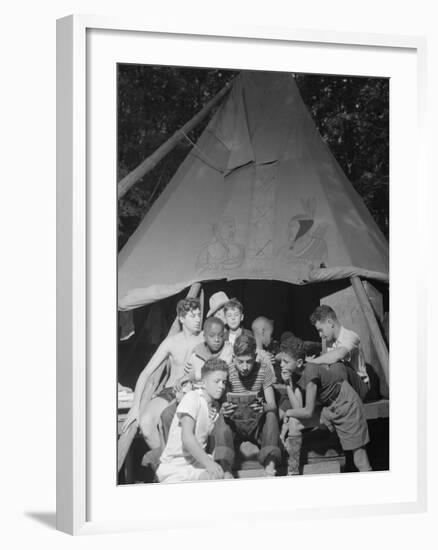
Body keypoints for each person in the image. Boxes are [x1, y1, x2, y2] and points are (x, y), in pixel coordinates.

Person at [278, 336, 372, 473]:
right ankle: (293, 471)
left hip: (346, 405)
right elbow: (298, 409)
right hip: (328, 408)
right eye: (281, 361)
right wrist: (288, 384)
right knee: (295, 422)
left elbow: (308, 412)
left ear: (298, 362)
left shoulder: (310, 372)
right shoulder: (295, 373)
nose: (281, 365)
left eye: (285, 362)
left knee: (360, 460)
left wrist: (287, 412)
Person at [121, 298, 203, 450]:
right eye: (193, 316)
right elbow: (145, 374)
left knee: (178, 425)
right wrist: (135, 407)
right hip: (170, 391)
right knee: (145, 424)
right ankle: (163, 463)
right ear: (182, 318)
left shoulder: (204, 339)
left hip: (194, 391)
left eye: (199, 315)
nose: (198, 319)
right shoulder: (171, 342)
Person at [213, 334, 281, 477]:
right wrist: (224, 409)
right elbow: (222, 402)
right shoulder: (228, 371)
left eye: (249, 361)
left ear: (255, 356)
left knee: (271, 415)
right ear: (233, 357)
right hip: (236, 425)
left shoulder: (264, 369)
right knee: (221, 418)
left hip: (257, 426)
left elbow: (272, 404)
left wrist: (264, 408)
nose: (244, 367)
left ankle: (270, 466)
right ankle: (226, 470)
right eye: (240, 361)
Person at [156, 358, 230, 483]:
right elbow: (187, 437)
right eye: (217, 381)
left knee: (225, 477)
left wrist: (215, 464)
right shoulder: (192, 397)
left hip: (196, 465)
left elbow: (209, 444)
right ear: (203, 382)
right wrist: (209, 464)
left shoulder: (213, 408)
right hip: (176, 467)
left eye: (224, 382)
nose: (221, 386)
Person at [308, 305, 370, 396]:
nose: (320, 335)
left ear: (330, 323)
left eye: (321, 330)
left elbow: (340, 354)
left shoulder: (351, 336)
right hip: (342, 384)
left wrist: (313, 362)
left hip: (361, 387)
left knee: (337, 366)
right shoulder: (328, 342)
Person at [184, 316, 233, 383]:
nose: (217, 339)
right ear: (204, 336)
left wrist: (194, 376)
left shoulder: (228, 350)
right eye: (212, 335)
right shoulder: (196, 355)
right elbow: (188, 377)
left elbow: (217, 374)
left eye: (221, 335)